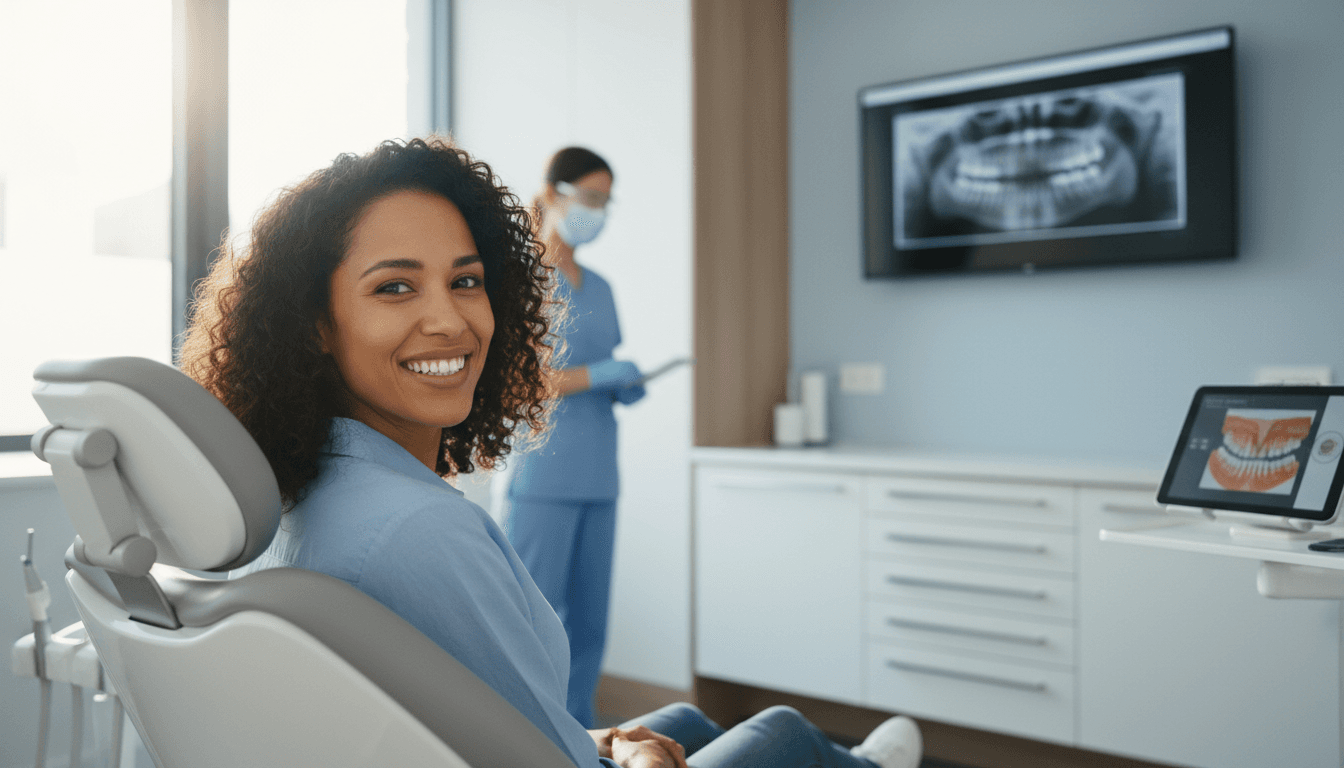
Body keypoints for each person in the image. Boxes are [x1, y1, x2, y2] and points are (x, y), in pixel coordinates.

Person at [179, 137, 921, 768]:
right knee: (781, 732)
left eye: (466, 281)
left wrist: (599, 738)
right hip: (551, 480)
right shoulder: (418, 531)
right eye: (396, 287)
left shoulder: (310, 494)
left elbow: (478, 713)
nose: (448, 318)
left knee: (680, 723)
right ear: (314, 322)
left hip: (594, 474)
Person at [505, 146, 643, 727]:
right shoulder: (521, 279)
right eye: (591, 197)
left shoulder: (602, 287)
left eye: (606, 201)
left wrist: (622, 382)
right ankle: (530, 741)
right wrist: (595, 375)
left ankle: (584, 739)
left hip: (599, 477)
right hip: (545, 477)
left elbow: (597, 363)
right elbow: (515, 384)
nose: (599, 211)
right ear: (553, 192)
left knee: (589, 629)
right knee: (536, 628)